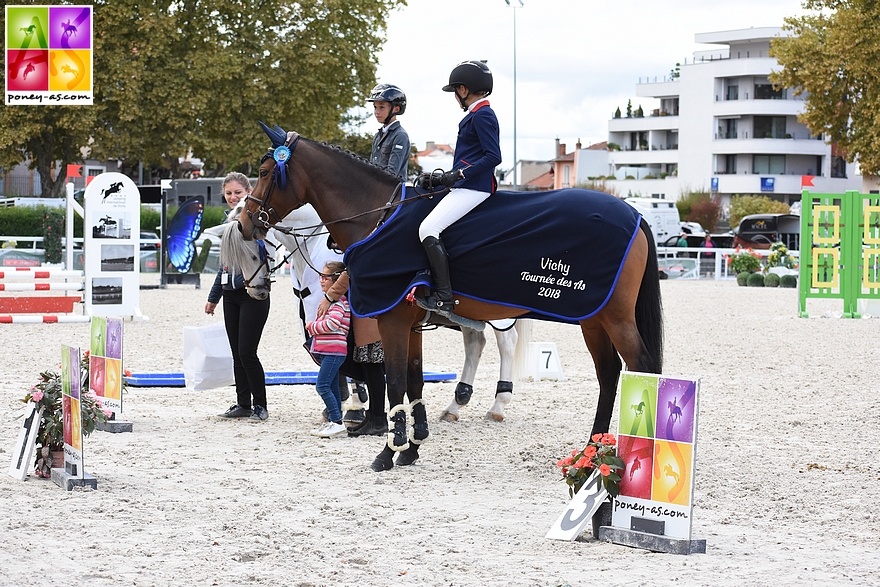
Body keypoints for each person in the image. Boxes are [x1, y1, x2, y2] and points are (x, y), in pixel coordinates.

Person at [313, 83, 411, 436]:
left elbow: (388, 178)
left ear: (395, 108)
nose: (377, 108)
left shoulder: (399, 137)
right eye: (375, 104)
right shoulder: (379, 135)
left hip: (391, 204)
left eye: (382, 104)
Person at [416, 60, 502, 317]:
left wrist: (460, 174)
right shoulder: (476, 115)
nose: (455, 97)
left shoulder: (483, 114)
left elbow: (493, 156)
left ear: (463, 90)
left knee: (428, 228)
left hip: (475, 187)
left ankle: (444, 296)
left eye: (455, 91)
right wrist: (442, 178)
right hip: (466, 185)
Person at [207, 172, 271, 422]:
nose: (233, 197)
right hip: (230, 293)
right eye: (229, 193)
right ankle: (243, 402)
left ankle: (261, 405)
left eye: (238, 192)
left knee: (247, 351)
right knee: (236, 352)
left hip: (252, 294)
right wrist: (214, 297)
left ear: (249, 192)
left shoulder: (256, 221)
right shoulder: (227, 223)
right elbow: (224, 267)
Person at [306, 261, 351, 438]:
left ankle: (337, 422)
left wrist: (312, 327)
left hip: (334, 351)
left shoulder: (338, 302)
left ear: (337, 281)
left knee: (322, 386)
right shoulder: (333, 302)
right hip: (328, 351)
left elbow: (332, 324)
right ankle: (335, 422)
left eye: (325, 277)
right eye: (320, 277)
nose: (321, 281)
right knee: (332, 388)